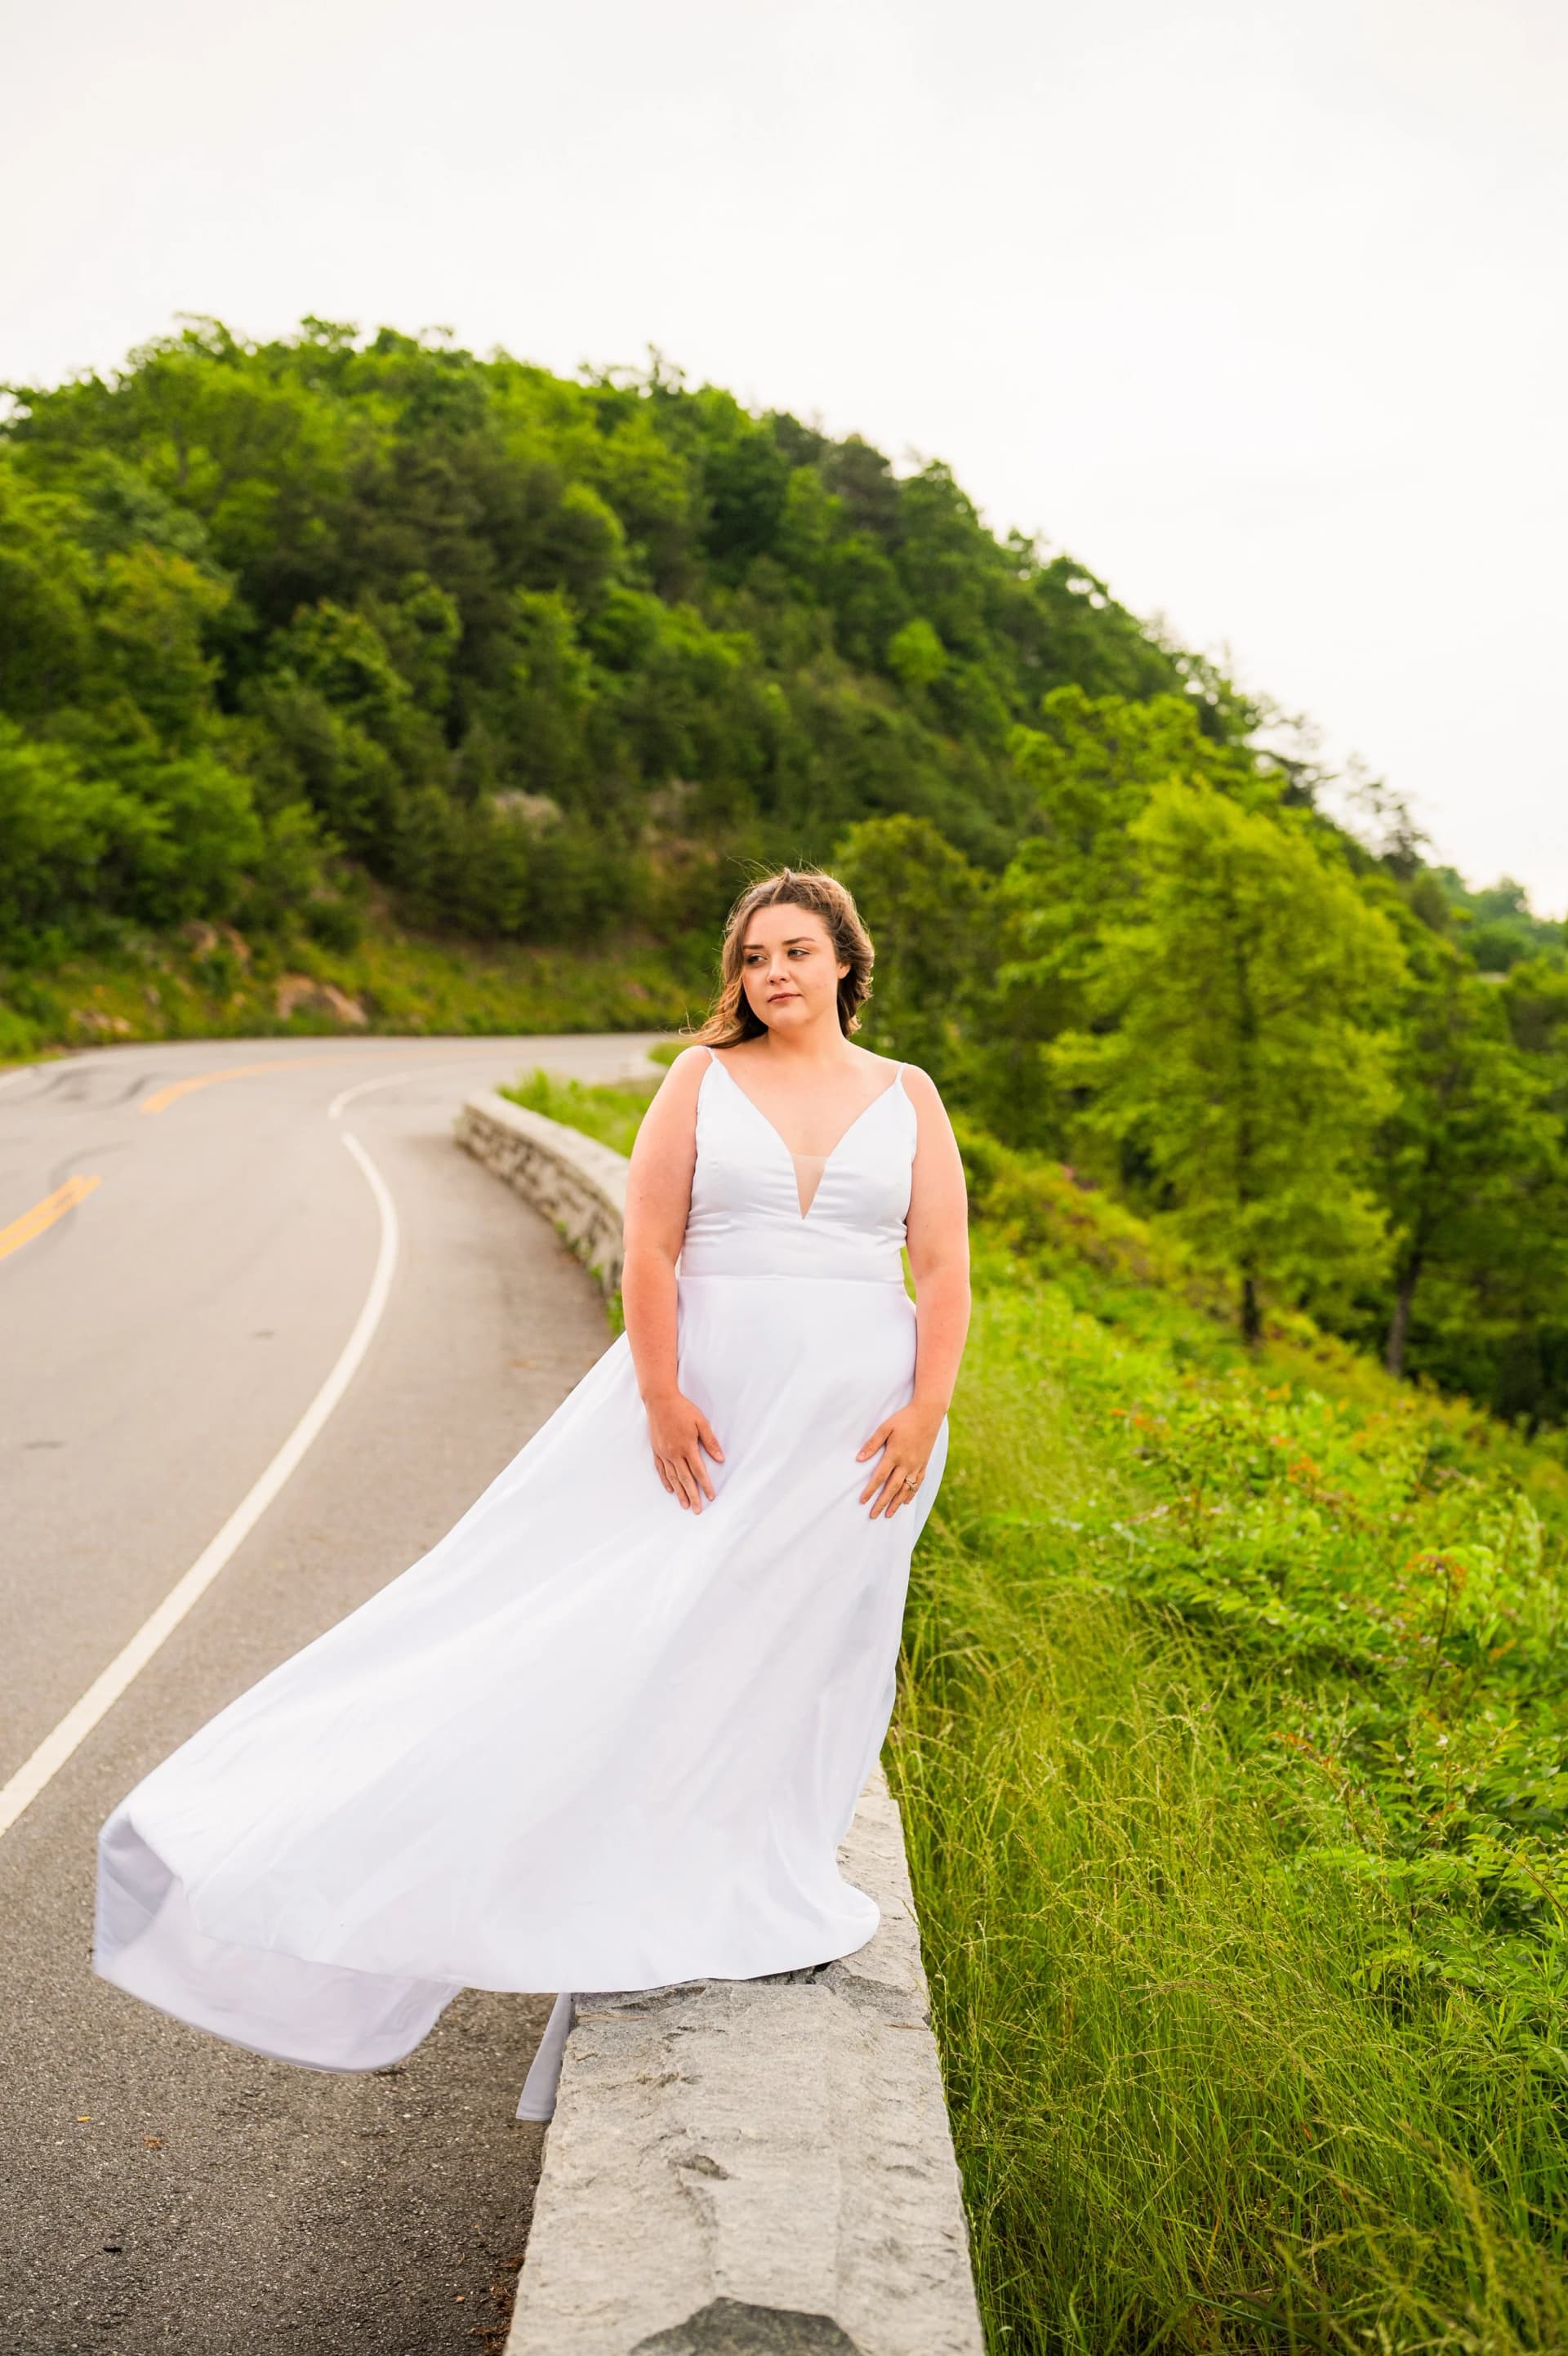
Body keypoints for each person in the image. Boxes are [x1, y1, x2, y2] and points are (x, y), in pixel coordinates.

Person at [93, 867, 971, 2121]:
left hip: (861, 1430)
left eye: (796, 950)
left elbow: (940, 1264)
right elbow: (650, 1241)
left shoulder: (909, 1095)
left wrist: (927, 1404)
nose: (773, 971)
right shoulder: (700, 1081)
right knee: (628, 1624)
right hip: (712, 1412)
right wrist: (662, 1393)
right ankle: (362, 1837)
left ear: (845, 962)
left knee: (807, 1646)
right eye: (753, 955)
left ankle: (748, 1860)